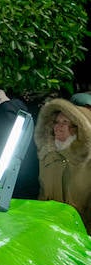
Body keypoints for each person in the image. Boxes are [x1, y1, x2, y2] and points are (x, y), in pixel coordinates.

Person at [34, 97, 91, 231]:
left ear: (78, 128)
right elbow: (42, 193)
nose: (58, 127)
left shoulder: (87, 161)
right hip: (50, 229)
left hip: (81, 234)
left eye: (65, 122)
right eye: (57, 122)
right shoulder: (48, 156)